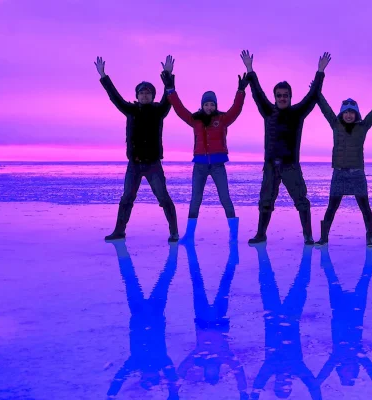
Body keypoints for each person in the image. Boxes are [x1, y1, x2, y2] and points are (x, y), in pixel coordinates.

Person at [241, 50, 332, 245]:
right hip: (271, 166)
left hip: (291, 166)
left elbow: (313, 95)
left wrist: (320, 71)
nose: (282, 98)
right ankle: (261, 234)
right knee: (265, 201)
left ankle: (308, 235)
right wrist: (249, 69)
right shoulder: (268, 111)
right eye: (279, 95)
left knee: (301, 201)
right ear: (275, 97)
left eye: (285, 95)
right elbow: (257, 92)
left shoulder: (297, 113)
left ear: (290, 97)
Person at [96, 55, 180, 243]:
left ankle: (174, 231)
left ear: (152, 95)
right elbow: (115, 97)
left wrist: (168, 75)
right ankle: (119, 231)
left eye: (148, 93)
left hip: (153, 165)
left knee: (163, 198)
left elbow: (169, 98)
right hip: (134, 164)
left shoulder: (159, 111)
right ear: (137, 96)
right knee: (126, 198)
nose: (144, 95)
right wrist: (103, 76)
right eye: (141, 93)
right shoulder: (131, 110)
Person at [164, 70, 248, 243]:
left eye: (212, 104)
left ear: (215, 105)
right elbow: (179, 110)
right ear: (202, 105)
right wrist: (171, 91)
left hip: (218, 165)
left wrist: (241, 91)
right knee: (195, 199)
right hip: (200, 166)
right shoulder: (195, 120)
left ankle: (233, 235)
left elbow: (236, 109)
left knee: (225, 198)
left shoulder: (223, 119)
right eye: (207, 104)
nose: (209, 107)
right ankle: (189, 236)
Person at [313, 79, 372, 247]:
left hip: (357, 173)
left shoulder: (363, 127)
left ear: (357, 114)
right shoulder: (335, 125)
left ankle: (370, 237)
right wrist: (316, 90)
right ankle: (324, 237)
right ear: (342, 114)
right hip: (339, 173)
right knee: (332, 206)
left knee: (364, 206)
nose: (349, 115)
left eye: (352, 112)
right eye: (346, 112)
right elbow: (325, 108)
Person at [106, 241, 180, 399]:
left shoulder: (135, 362)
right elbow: (173, 380)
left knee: (131, 279)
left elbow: (120, 376)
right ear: (156, 376)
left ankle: (123, 251)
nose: (149, 375)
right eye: (152, 378)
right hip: (154, 313)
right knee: (163, 279)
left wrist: (111, 395)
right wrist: (173, 395)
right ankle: (174, 251)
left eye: (147, 378)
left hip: (139, 313)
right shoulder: (161, 361)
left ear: (143, 377)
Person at [177, 241, 248, 399]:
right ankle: (232, 258)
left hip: (202, 318)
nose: (211, 371)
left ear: (205, 372)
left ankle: (191, 254)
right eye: (213, 373)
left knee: (197, 283)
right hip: (218, 319)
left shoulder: (198, 357)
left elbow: (182, 369)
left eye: (209, 374)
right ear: (217, 372)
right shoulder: (224, 356)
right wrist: (243, 391)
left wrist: (174, 391)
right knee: (224, 285)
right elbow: (239, 371)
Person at [250, 245, 322, 399]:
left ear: (276, 382)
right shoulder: (296, 367)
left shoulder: (271, 367)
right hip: (290, 317)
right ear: (290, 384)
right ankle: (306, 254)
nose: (284, 381)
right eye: (286, 386)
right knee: (299, 284)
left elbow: (257, 387)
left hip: (275, 317)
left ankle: (264, 253)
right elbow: (313, 386)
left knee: (269, 282)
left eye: (281, 385)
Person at [315, 247, 372, 392]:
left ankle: (325, 255)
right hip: (355, 312)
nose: (348, 371)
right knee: (364, 280)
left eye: (346, 374)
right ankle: (369, 255)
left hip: (340, 311)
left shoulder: (336, 357)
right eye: (350, 374)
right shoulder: (358, 355)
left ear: (342, 371)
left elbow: (323, 374)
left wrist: (315, 389)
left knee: (332, 279)